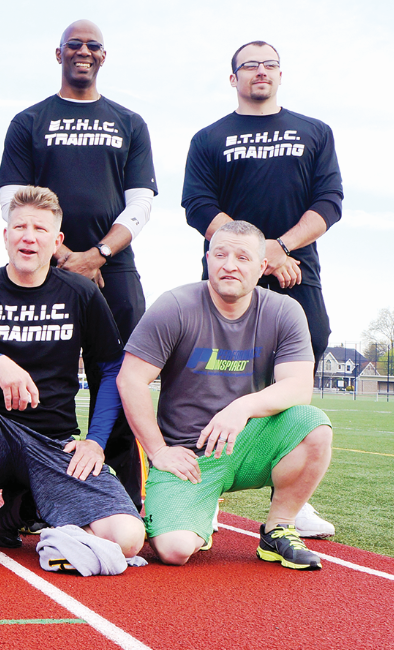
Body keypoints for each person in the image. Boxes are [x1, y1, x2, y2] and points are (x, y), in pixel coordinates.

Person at [0, 186, 143, 571]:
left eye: (40, 229)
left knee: (127, 538)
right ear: (5, 235)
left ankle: (22, 510)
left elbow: (110, 370)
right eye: (20, 226)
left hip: (54, 445)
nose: (29, 236)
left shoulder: (81, 293)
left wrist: (94, 442)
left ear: (57, 240)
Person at [180, 40, 344, 538]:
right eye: (249, 65)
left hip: (298, 273)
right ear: (233, 79)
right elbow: (197, 205)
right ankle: (202, 490)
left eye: (269, 64)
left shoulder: (315, 132)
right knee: (216, 374)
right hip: (228, 274)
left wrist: (281, 248)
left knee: (295, 378)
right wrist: (253, 252)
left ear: (280, 74)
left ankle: (290, 503)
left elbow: (330, 201)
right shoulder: (210, 138)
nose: (260, 72)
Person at [0, 19, 157, 512]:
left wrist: (98, 254)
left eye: (93, 46)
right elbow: (10, 198)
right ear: (58, 53)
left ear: (103, 56)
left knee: (124, 380)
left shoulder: (130, 122)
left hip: (114, 270)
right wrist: (58, 254)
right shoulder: (29, 121)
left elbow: (142, 201)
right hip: (45, 266)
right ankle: (27, 503)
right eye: (74, 45)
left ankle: (124, 499)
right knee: (42, 382)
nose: (83, 52)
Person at [117, 221, 333, 570]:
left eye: (243, 257)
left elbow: (298, 386)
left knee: (312, 424)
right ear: (208, 259)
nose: (229, 264)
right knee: (174, 550)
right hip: (188, 456)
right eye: (220, 254)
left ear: (262, 267)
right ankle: (195, 512)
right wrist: (158, 451)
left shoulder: (283, 311)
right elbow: (131, 380)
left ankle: (278, 529)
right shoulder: (175, 305)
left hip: (246, 442)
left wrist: (242, 407)